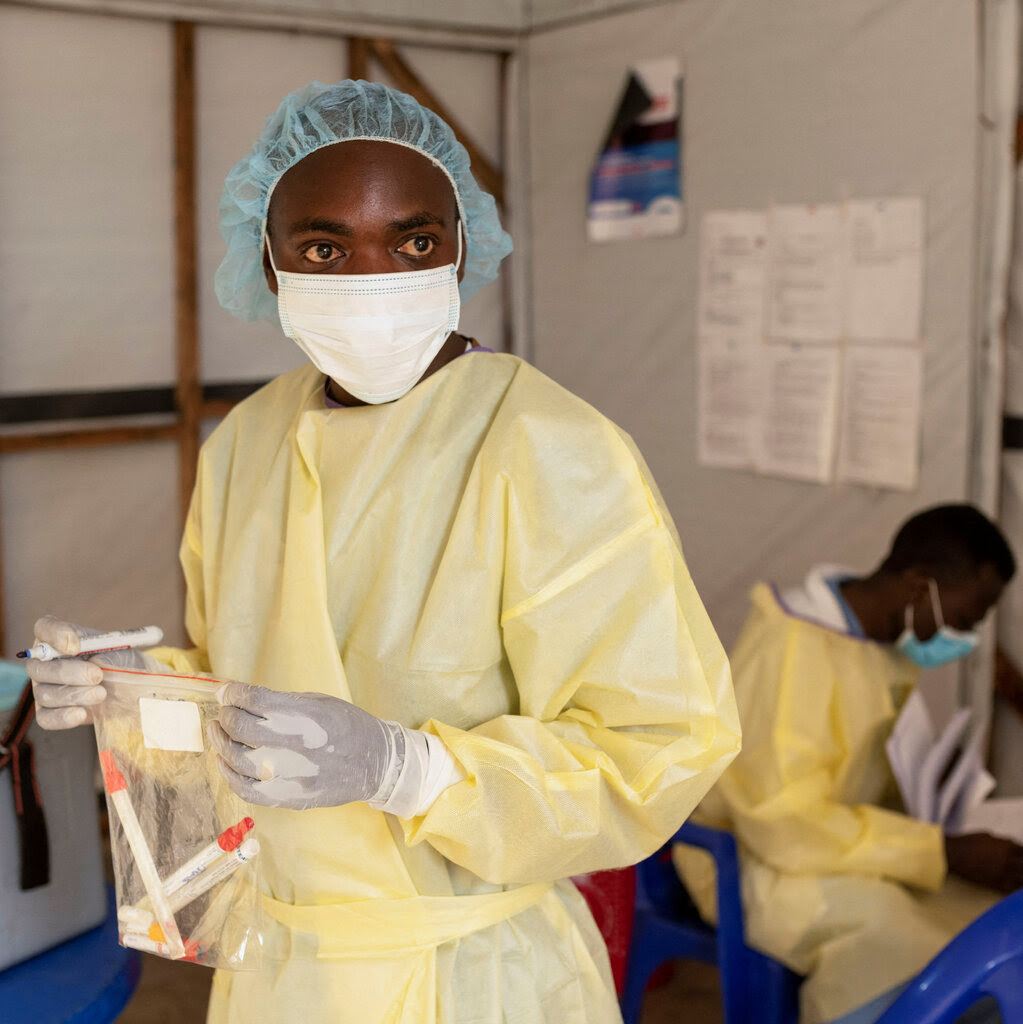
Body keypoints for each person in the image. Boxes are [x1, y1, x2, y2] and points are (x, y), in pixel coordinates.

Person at [26, 80, 741, 1023]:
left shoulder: (547, 449)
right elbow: (236, 681)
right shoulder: (245, 443)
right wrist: (136, 689)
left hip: (474, 974)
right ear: (270, 266)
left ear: (458, 249)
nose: (372, 279)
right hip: (274, 962)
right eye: (324, 247)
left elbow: (658, 745)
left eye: (411, 243)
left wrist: (409, 770)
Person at [674, 503, 1022, 1024]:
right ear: (916, 588)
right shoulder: (793, 649)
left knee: (985, 919)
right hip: (754, 854)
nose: (967, 638)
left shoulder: (878, 644)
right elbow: (784, 823)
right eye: (967, 619)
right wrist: (941, 850)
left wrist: (940, 832)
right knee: (889, 936)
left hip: (838, 841)